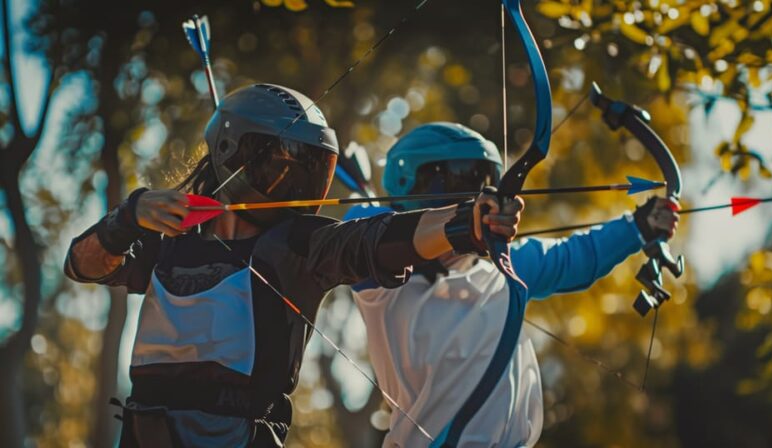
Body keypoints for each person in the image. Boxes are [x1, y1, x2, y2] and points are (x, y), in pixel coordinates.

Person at [63, 87, 524, 447]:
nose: (297, 185)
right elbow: (83, 266)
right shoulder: (169, 241)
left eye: (311, 172)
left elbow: (380, 238)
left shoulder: (298, 247)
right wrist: (127, 217)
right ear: (231, 153)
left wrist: (468, 222)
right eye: (282, 167)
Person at [345, 122, 680, 447]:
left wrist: (638, 225)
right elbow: (362, 227)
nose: (477, 193)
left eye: (485, 181)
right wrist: (463, 226)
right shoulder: (381, 283)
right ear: (409, 185)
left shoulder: (502, 270)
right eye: (458, 179)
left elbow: (576, 256)